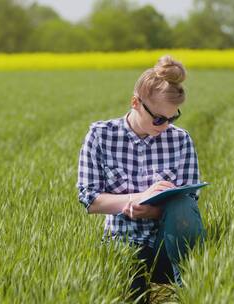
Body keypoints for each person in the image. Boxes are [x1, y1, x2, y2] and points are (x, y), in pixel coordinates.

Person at [76, 55, 207, 303]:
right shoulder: (100, 136)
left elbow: (188, 205)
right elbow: (90, 200)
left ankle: (189, 289)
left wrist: (151, 211)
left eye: (173, 117)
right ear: (135, 102)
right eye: (159, 118)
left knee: (194, 286)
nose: (165, 125)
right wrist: (139, 199)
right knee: (134, 293)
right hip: (122, 241)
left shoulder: (180, 140)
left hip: (168, 243)